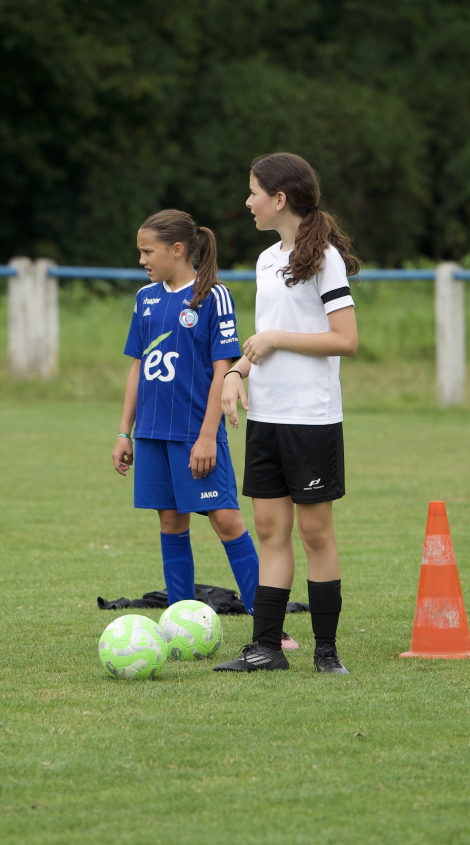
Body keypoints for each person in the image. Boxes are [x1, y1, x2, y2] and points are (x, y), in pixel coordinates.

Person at [214, 153, 359, 674]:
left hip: (311, 418)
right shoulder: (265, 260)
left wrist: (276, 338)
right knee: (270, 531)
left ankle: (326, 651)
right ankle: (266, 648)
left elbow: (345, 340)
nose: (247, 201)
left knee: (315, 534)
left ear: (279, 199)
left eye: (254, 192)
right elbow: (262, 342)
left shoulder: (325, 259)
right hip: (266, 416)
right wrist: (236, 373)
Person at [111, 210, 262, 622]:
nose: (142, 260)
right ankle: (180, 620)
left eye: (148, 251)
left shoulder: (213, 296)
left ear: (177, 249)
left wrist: (208, 436)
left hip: (195, 432)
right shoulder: (145, 298)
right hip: (152, 433)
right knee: (171, 522)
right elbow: (138, 368)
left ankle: (269, 626)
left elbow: (222, 369)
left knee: (226, 520)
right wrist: (125, 432)